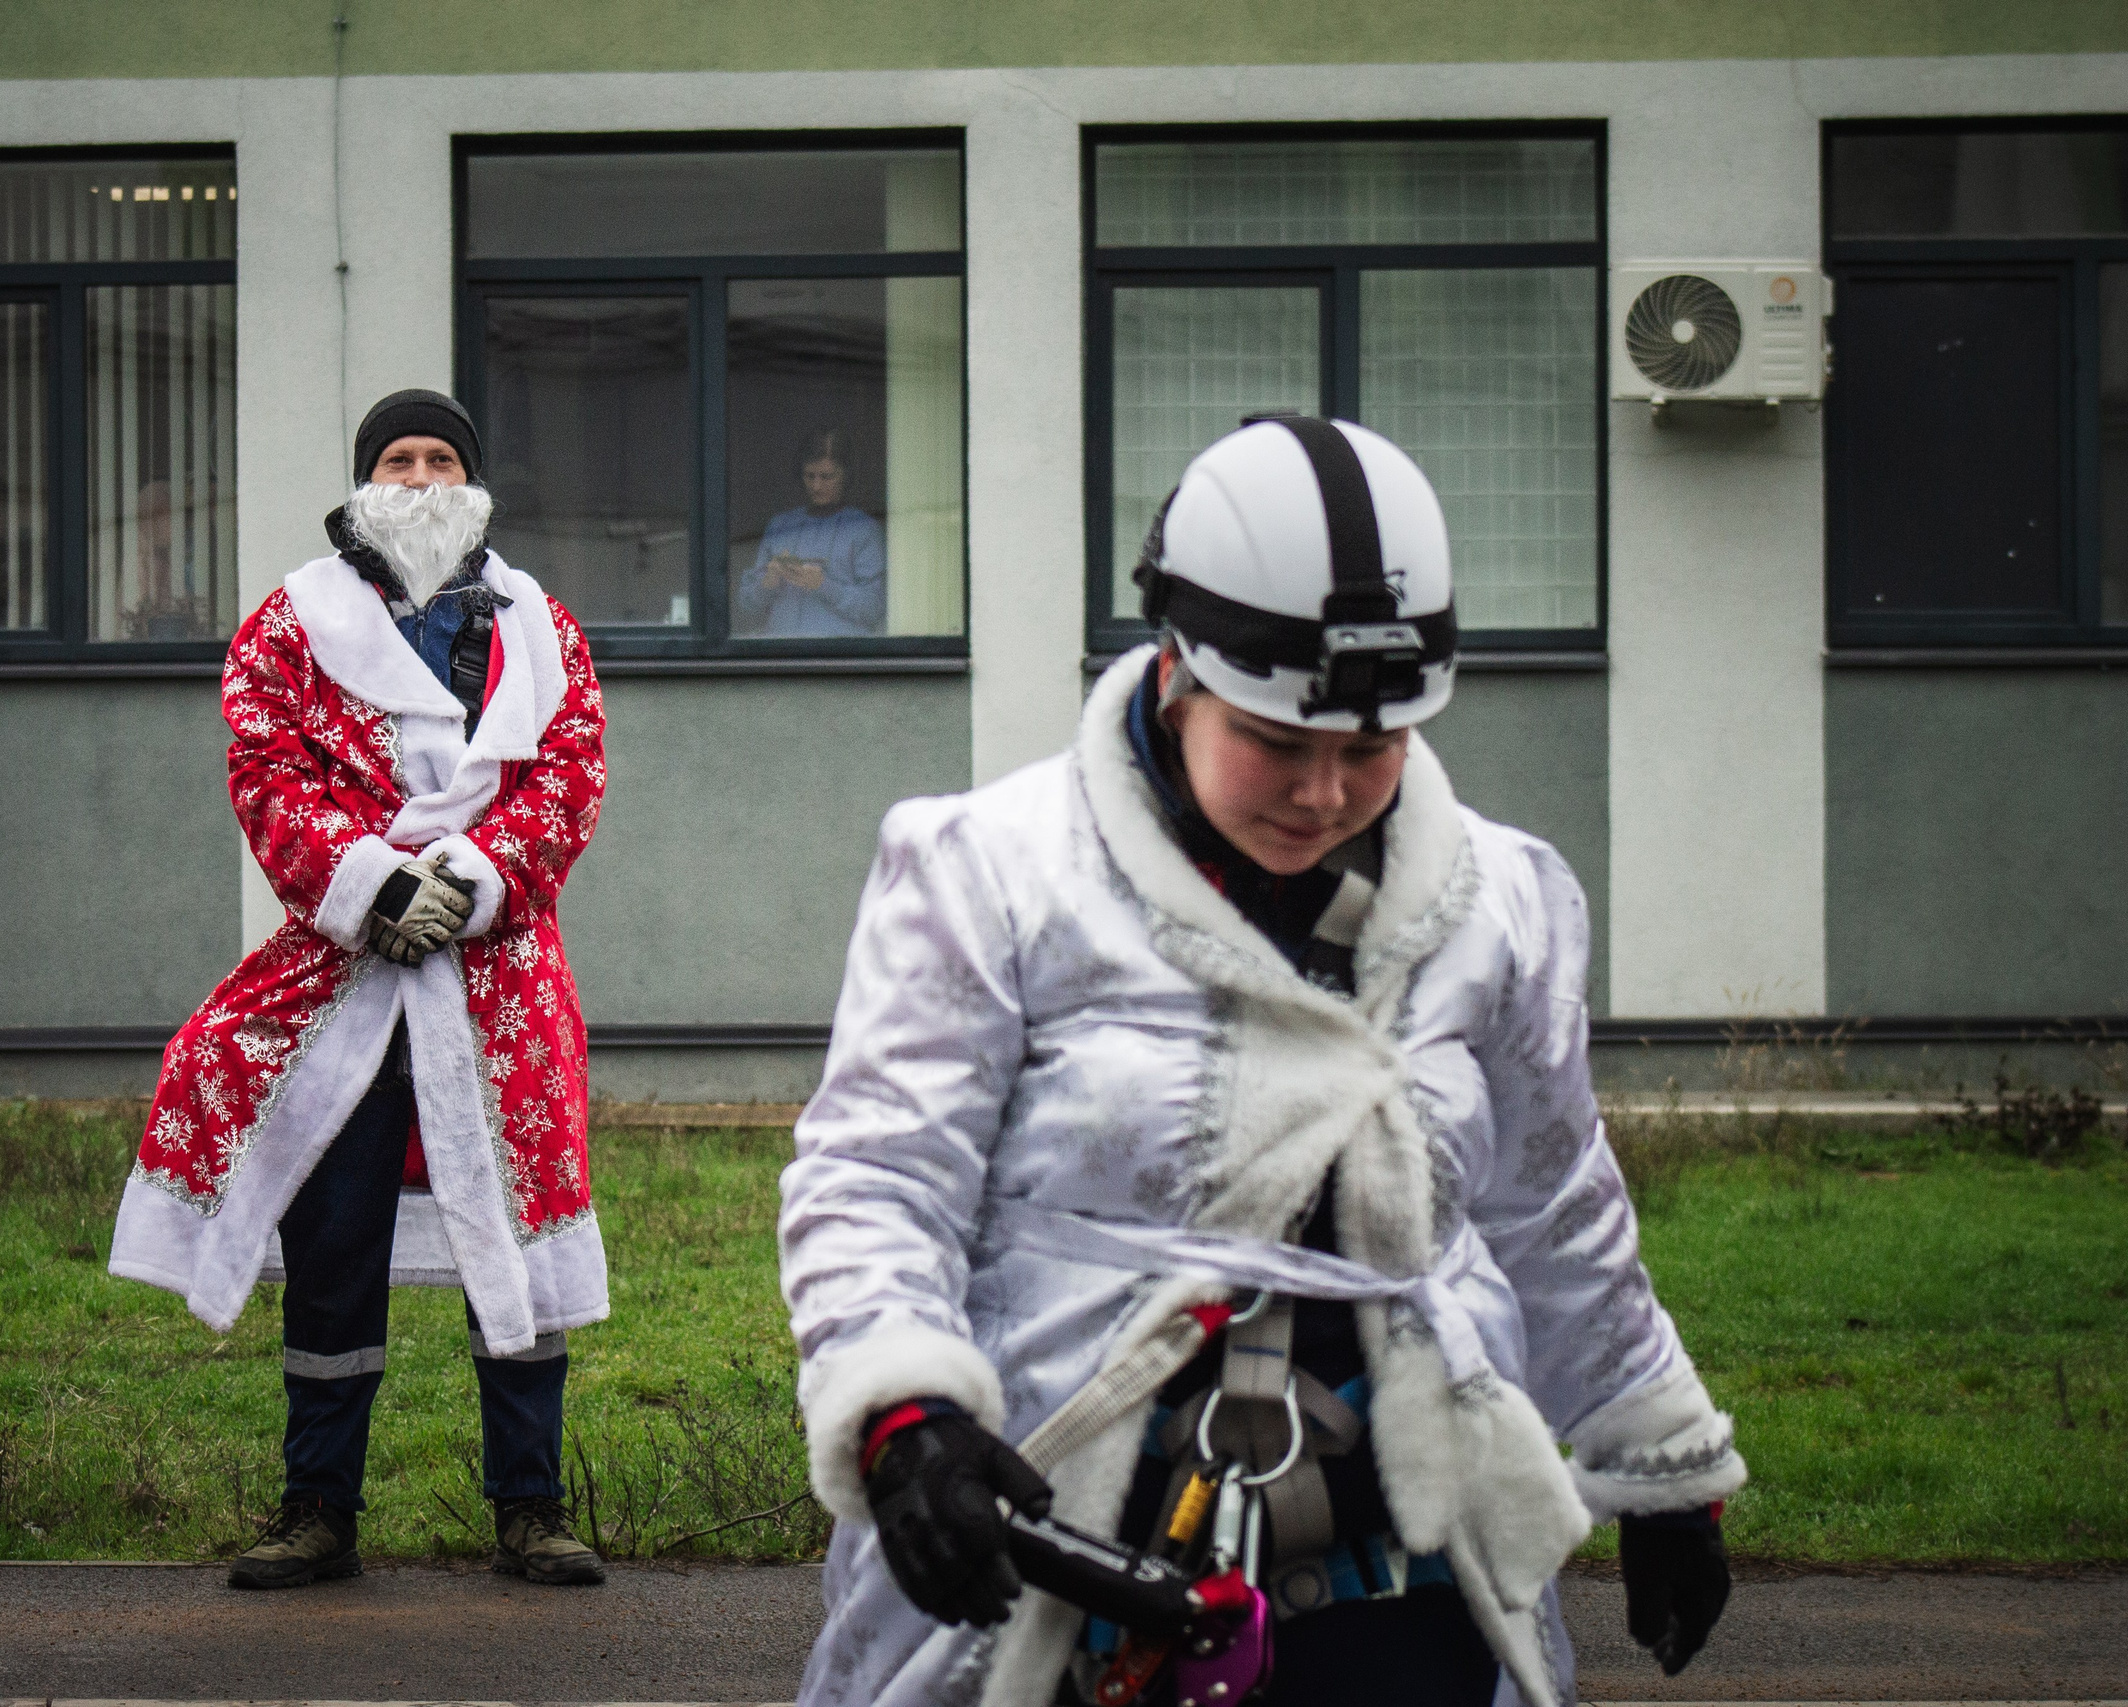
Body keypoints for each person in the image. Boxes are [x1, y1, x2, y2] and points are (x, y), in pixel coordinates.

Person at [778, 417, 1741, 1706]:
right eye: (1277, 745)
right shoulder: (991, 875)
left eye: (1370, 749)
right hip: (1063, 1554)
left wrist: (1661, 1463)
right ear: (1175, 671)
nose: (1323, 794)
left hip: (1404, 1576)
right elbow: (879, 1178)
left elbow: (1552, 1198)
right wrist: (904, 1417)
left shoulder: (1502, 901)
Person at [109, 388, 613, 1593]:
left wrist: (473, 882)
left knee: (517, 1234)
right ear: (363, 480)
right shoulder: (290, 622)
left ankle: (532, 1507)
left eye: (442, 459)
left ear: (471, 482)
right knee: (333, 1241)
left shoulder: (544, 625)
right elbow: (265, 768)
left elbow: (570, 773)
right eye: (398, 459)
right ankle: (317, 1508)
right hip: (344, 972)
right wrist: (374, 887)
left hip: (499, 978)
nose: (421, 478)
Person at [734, 426, 884, 637]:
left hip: (840, 653)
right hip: (780, 652)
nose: (816, 486)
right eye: (809, 476)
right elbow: (746, 605)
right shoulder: (780, 526)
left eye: (827, 476)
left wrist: (824, 585)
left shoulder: (864, 529)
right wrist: (768, 583)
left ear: (846, 475)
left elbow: (875, 608)